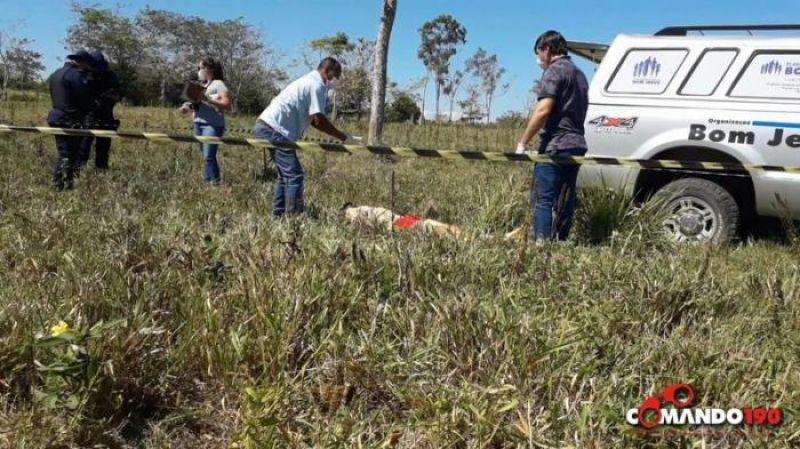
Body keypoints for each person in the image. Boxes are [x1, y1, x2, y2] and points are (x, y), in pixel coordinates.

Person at [254, 57, 361, 217]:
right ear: (327, 70)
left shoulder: (308, 81)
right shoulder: (316, 85)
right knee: (294, 175)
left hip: (268, 126)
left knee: (286, 176)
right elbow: (318, 119)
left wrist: (341, 136)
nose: (336, 80)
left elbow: (314, 121)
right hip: (276, 129)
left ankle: (278, 216)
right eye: (336, 75)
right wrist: (343, 137)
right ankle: (294, 218)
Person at [515, 30, 589, 241]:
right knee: (565, 199)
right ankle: (561, 245)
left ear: (547, 50)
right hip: (576, 145)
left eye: (539, 52)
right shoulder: (580, 74)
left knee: (543, 199)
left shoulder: (554, 71)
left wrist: (523, 142)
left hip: (555, 145)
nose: (538, 59)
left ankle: (541, 244)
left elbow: (543, 109)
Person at [47, 50, 96, 190]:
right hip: (71, 119)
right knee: (69, 155)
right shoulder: (77, 76)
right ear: (84, 63)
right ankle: (62, 185)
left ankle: (61, 185)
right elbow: (85, 101)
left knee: (64, 152)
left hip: (56, 116)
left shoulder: (56, 73)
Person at [179, 57, 231, 184]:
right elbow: (199, 105)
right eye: (198, 68)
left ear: (209, 69)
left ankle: (215, 183)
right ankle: (208, 181)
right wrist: (187, 107)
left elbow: (227, 104)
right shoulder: (201, 85)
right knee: (205, 156)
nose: (198, 71)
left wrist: (207, 98)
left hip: (212, 125)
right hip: (198, 123)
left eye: (200, 68)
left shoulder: (218, 84)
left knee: (209, 156)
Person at [79, 50, 121, 170]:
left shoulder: (110, 76)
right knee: (83, 146)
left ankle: (101, 171)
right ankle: (79, 170)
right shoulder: (86, 74)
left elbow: (118, 96)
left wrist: (107, 96)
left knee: (103, 148)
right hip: (89, 116)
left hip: (106, 116)